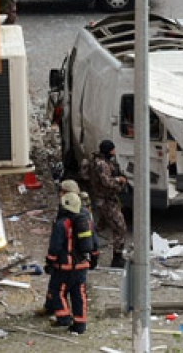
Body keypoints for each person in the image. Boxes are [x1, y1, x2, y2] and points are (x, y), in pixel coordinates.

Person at [45, 193, 96, 335]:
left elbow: (55, 245)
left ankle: (64, 317)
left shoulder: (62, 224)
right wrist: (94, 257)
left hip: (65, 266)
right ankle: (80, 324)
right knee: (79, 294)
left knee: (57, 291)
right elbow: (94, 242)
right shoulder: (85, 220)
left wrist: (50, 261)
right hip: (82, 266)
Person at [85, 139, 127, 268]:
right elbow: (107, 182)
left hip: (105, 199)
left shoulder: (101, 162)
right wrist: (119, 180)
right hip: (106, 200)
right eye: (112, 150)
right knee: (120, 227)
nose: (114, 152)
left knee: (97, 228)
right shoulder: (101, 164)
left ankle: (90, 254)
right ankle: (117, 258)